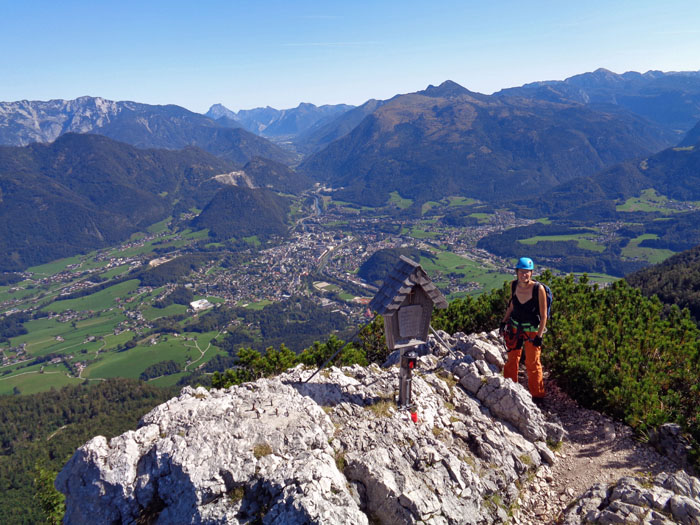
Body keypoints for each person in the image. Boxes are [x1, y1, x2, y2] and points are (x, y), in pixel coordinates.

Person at [500, 257, 546, 401]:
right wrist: (504, 321)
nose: (524, 275)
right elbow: (512, 305)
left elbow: (544, 315)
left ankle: (537, 395)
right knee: (512, 359)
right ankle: (510, 386)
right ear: (517, 272)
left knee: (532, 363)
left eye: (527, 272)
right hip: (515, 327)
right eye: (521, 271)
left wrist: (539, 336)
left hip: (532, 330)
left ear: (531, 273)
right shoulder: (513, 286)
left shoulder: (539, 289)